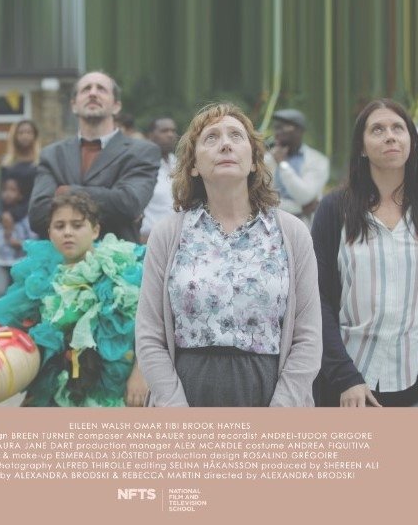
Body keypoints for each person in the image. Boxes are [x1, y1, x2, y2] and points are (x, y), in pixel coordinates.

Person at [136, 103, 322, 407]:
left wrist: (283, 410)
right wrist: (173, 408)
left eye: (236, 136)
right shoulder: (168, 234)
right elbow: (149, 334)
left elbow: (309, 336)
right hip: (186, 392)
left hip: (270, 392)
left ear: (253, 162)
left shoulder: (292, 233)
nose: (225, 144)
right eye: (211, 138)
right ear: (194, 165)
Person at [312, 99, 418, 407]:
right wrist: (345, 377)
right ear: (362, 146)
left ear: (412, 142)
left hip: (416, 384)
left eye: (399, 128)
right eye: (378, 129)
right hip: (346, 385)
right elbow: (316, 298)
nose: (390, 136)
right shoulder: (334, 209)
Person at [0, 193, 147, 407]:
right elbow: (14, 327)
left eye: (77, 225)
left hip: (111, 389)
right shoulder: (38, 277)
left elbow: (150, 327)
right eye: (59, 226)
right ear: (49, 232)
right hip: (59, 387)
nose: (68, 232)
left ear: (95, 230)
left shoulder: (122, 270)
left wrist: (140, 374)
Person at [29, 70, 160, 242]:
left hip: (117, 263)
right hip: (62, 265)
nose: (93, 93)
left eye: (101, 89)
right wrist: (110, 202)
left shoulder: (142, 152)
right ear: (74, 105)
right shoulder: (52, 154)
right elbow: (37, 216)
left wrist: (66, 191)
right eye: (86, 89)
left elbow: (129, 204)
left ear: (116, 106)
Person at [264, 108, 330, 229]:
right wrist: (299, 208)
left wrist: (282, 164)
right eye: (276, 127)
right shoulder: (267, 160)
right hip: (272, 227)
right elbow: (261, 200)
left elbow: (305, 196)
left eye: (284, 127)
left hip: (306, 227)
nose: (278, 131)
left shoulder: (317, 160)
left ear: (300, 130)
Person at [0, 177, 35, 299]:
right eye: (5, 190)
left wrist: (19, 243)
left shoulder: (26, 217)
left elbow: (34, 241)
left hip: (19, 261)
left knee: (17, 294)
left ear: (20, 195)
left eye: (13, 190)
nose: (8, 194)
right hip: (0, 260)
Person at [140, 117, 178, 242]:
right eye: (164, 131)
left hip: (179, 239)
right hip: (149, 240)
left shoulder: (178, 164)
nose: (170, 135)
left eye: (173, 131)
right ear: (151, 135)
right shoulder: (141, 165)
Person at [0, 119, 40, 219]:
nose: (25, 136)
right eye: (21, 133)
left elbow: (39, 194)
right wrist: (5, 214)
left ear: (35, 136)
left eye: (29, 132)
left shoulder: (40, 163)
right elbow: (1, 193)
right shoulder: (7, 162)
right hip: (7, 216)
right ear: (15, 136)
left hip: (32, 214)